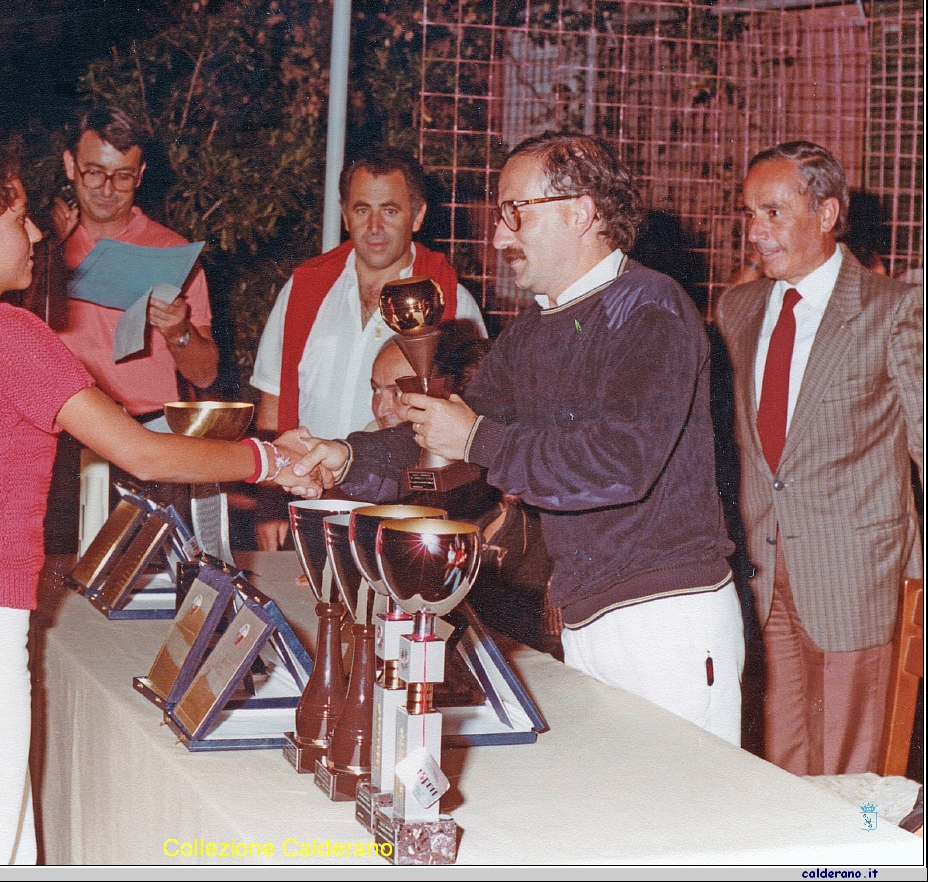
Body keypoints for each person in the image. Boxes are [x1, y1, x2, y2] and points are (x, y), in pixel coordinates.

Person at [0, 141, 305, 864]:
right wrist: (268, 458)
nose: (36, 235)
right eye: (20, 217)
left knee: (1, 841)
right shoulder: (9, 335)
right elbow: (143, 452)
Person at [285, 132, 743, 745]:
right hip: (590, 615)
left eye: (513, 214)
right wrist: (345, 458)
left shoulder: (651, 310)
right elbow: (448, 432)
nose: (500, 238)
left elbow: (619, 465)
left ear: (580, 212)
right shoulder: (538, 328)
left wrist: (477, 439)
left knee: (684, 822)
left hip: (665, 620)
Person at [715, 141, 923, 776]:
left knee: (849, 772)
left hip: (858, 578)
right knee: (775, 765)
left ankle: (845, 876)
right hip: (760, 574)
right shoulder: (736, 309)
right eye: (749, 214)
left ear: (827, 212)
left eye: (774, 213)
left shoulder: (895, 310)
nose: (755, 232)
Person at [251, 146, 485, 441]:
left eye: (390, 210)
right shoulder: (302, 291)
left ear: (417, 216)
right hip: (306, 480)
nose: (375, 227)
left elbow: (472, 414)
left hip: (401, 485)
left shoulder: (450, 302)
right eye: (362, 210)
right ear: (346, 217)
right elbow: (273, 401)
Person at [53, 104, 217, 410]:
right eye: (94, 173)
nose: (107, 189)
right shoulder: (40, 245)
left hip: (147, 431)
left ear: (140, 175)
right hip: (63, 431)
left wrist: (179, 332)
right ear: (70, 164)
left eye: (123, 176)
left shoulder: (171, 252)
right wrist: (48, 254)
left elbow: (205, 375)